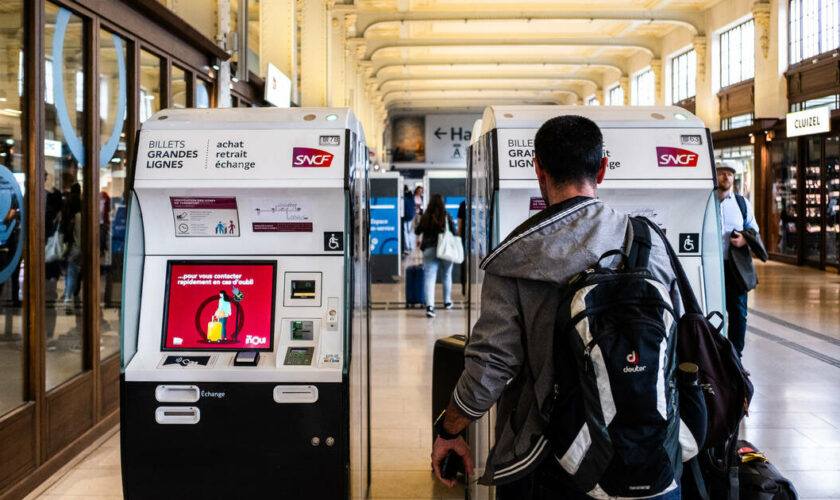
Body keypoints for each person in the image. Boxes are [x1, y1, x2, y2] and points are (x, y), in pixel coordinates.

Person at [430, 116, 682, 499]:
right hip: (647, 452)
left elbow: (492, 365)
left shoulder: (515, 257)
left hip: (547, 456)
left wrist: (450, 429)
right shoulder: (647, 240)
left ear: (539, 170)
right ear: (602, 168)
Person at [717, 163, 760, 358]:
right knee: (710, 309)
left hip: (734, 266)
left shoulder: (741, 203)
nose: (726, 178)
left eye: (730, 174)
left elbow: (753, 229)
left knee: (738, 312)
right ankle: (712, 355)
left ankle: (735, 357)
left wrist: (744, 239)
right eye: (722, 174)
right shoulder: (705, 202)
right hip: (710, 266)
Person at [415, 194, 456, 318]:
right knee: (447, 275)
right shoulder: (447, 216)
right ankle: (447, 301)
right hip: (446, 250)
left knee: (430, 278)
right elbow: (454, 233)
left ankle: (430, 307)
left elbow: (417, 231)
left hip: (429, 250)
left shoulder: (426, 217)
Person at [402, 185, 416, 255]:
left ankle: (407, 247)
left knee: (405, 232)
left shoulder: (403, 197)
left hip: (405, 216)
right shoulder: (411, 196)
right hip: (411, 215)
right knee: (409, 231)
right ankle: (411, 246)